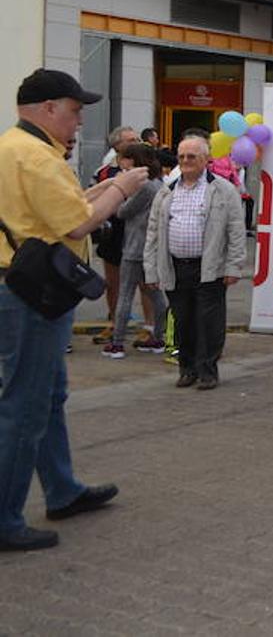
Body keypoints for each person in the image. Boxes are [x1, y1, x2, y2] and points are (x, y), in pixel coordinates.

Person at [0, 69, 149, 551]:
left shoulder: (12, 147)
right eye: (74, 109)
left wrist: (98, 190)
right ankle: (5, 517)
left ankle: (62, 488)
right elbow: (79, 222)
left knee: (48, 394)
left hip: (19, 285)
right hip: (32, 295)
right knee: (26, 404)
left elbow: (60, 206)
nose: (80, 119)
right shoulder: (37, 156)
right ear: (47, 109)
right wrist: (122, 188)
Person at [143, 136, 247, 391]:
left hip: (210, 267)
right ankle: (186, 369)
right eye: (181, 157)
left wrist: (234, 267)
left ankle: (208, 371)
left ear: (205, 159)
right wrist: (151, 269)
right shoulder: (167, 190)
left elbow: (236, 230)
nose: (186, 161)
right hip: (176, 267)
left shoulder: (223, 189)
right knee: (182, 321)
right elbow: (153, 232)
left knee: (209, 322)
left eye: (192, 156)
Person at [104, 143, 169, 359]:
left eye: (125, 158)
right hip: (151, 248)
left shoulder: (144, 186)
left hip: (135, 247)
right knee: (155, 294)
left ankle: (117, 343)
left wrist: (120, 195)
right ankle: (159, 337)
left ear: (135, 160)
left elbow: (122, 212)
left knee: (126, 294)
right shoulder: (159, 184)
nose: (121, 163)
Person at [90, 126, 139, 341]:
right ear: (117, 145)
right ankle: (114, 323)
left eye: (137, 138)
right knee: (113, 282)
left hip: (139, 233)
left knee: (146, 285)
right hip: (113, 234)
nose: (136, 141)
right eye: (130, 139)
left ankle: (150, 328)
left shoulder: (146, 168)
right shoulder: (103, 172)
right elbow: (94, 198)